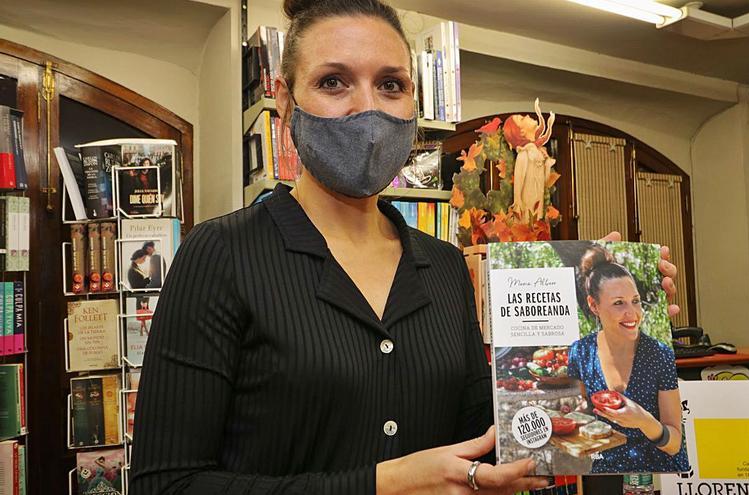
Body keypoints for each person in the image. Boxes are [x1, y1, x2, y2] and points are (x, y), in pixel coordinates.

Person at [129, 1, 681, 493]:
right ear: (286, 102)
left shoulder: (441, 265)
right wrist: (381, 485)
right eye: (333, 82)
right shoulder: (221, 255)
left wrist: (585, 317)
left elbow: (486, 440)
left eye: (391, 85)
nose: (368, 112)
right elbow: (168, 482)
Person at [567, 244, 687, 474]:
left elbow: (675, 444)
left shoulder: (659, 354)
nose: (632, 314)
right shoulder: (580, 352)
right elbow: (579, 414)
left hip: (655, 475)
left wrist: (643, 421)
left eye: (635, 301)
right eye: (618, 303)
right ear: (594, 305)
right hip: (600, 476)